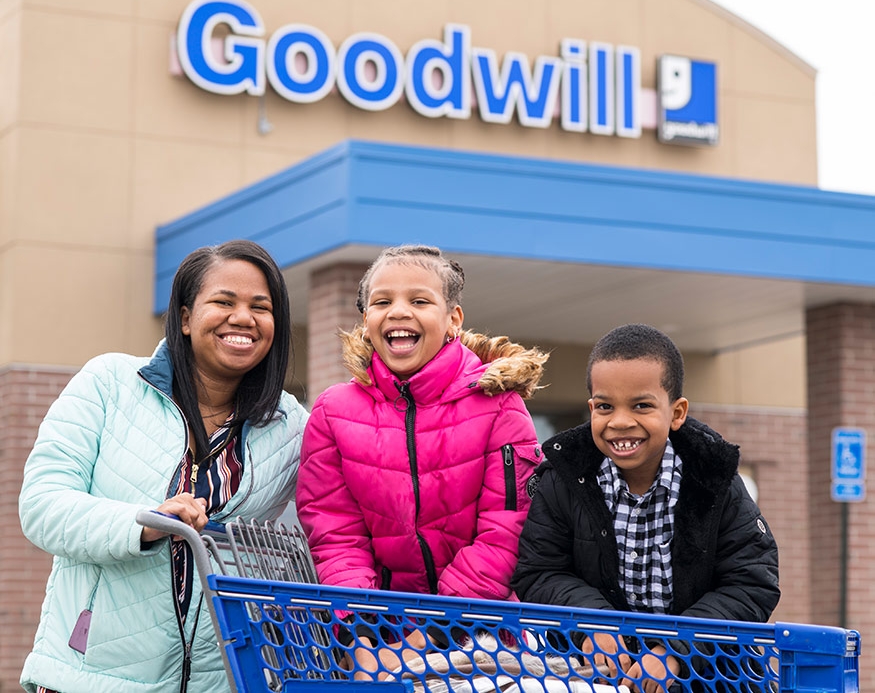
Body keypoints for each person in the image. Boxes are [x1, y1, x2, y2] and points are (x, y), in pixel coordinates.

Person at [19, 240, 309, 693]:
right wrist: (146, 523)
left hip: (219, 683)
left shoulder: (290, 425)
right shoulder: (109, 383)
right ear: (187, 317)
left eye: (261, 306)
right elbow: (42, 506)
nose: (243, 318)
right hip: (87, 678)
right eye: (223, 301)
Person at [296, 244, 548, 677]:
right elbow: (335, 535)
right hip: (379, 640)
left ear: (453, 319)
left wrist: (426, 638)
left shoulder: (500, 406)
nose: (398, 312)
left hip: (483, 635)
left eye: (418, 300)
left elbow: (506, 533)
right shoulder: (333, 411)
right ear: (366, 319)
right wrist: (364, 639)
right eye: (382, 301)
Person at [511, 323, 780, 693]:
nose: (620, 422)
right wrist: (592, 623)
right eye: (605, 406)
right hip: (596, 676)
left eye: (642, 405)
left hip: (708, 677)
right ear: (591, 409)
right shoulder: (563, 479)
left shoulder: (714, 481)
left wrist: (677, 649)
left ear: (677, 412)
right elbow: (539, 571)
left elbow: (752, 582)